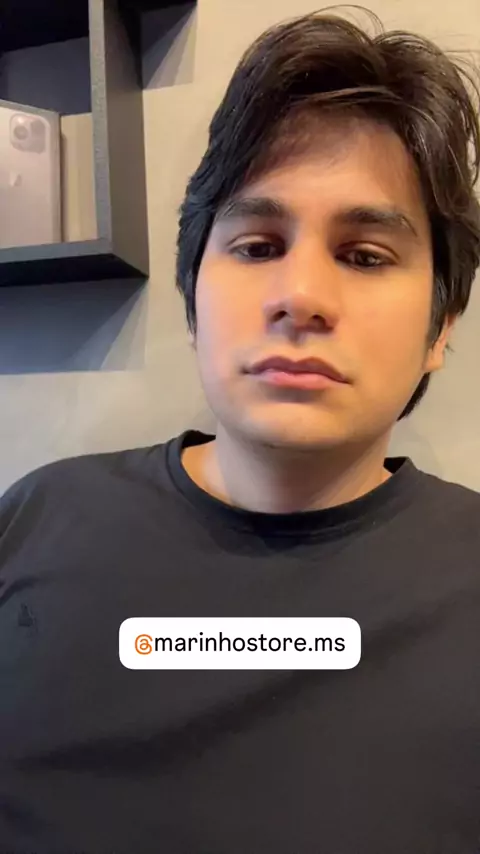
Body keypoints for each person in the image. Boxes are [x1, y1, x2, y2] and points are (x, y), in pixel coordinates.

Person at [1, 7, 480, 853]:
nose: (301, 297)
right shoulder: (36, 520)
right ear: (194, 302)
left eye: (365, 255)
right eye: (257, 246)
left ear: (441, 327)